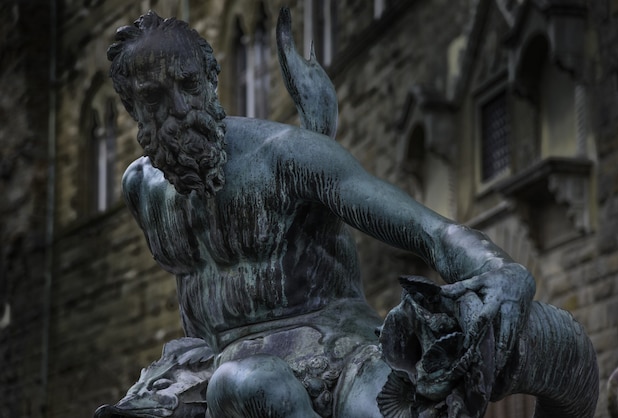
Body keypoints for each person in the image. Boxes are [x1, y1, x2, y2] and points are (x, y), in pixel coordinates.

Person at [108, 11, 535, 418]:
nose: (180, 108)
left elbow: (428, 231)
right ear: (132, 107)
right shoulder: (140, 190)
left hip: (335, 350)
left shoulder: (283, 156)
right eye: (154, 97)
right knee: (243, 384)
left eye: (188, 84)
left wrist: (497, 267)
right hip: (216, 368)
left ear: (212, 80)